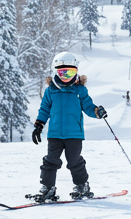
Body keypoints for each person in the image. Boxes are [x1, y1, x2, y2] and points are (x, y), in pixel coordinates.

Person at [29, 51, 107, 202]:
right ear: (56, 72)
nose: (67, 77)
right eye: (63, 73)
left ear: (76, 72)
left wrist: (97, 112)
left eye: (70, 73)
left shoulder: (80, 90)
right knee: (50, 161)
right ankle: (47, 188)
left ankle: (81, 186)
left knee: (74, 161)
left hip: (74, 134)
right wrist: (39, 126)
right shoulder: (50, 91)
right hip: (55, 134)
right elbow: (44, 109)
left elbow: (88, 107)